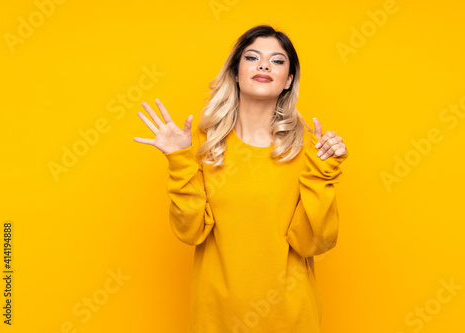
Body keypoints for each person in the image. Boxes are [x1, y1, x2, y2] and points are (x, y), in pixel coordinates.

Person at [133, 24, 349, 333]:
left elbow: (314, 242)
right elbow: (190, 232)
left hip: (291, 319)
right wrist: (179, 160)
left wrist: (323, 172)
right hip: (216, 319)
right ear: (236, 72)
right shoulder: (202, 143)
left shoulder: (309, 148)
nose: (264, 65)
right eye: (252, 57)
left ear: (288, 80)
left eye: (277, 60)